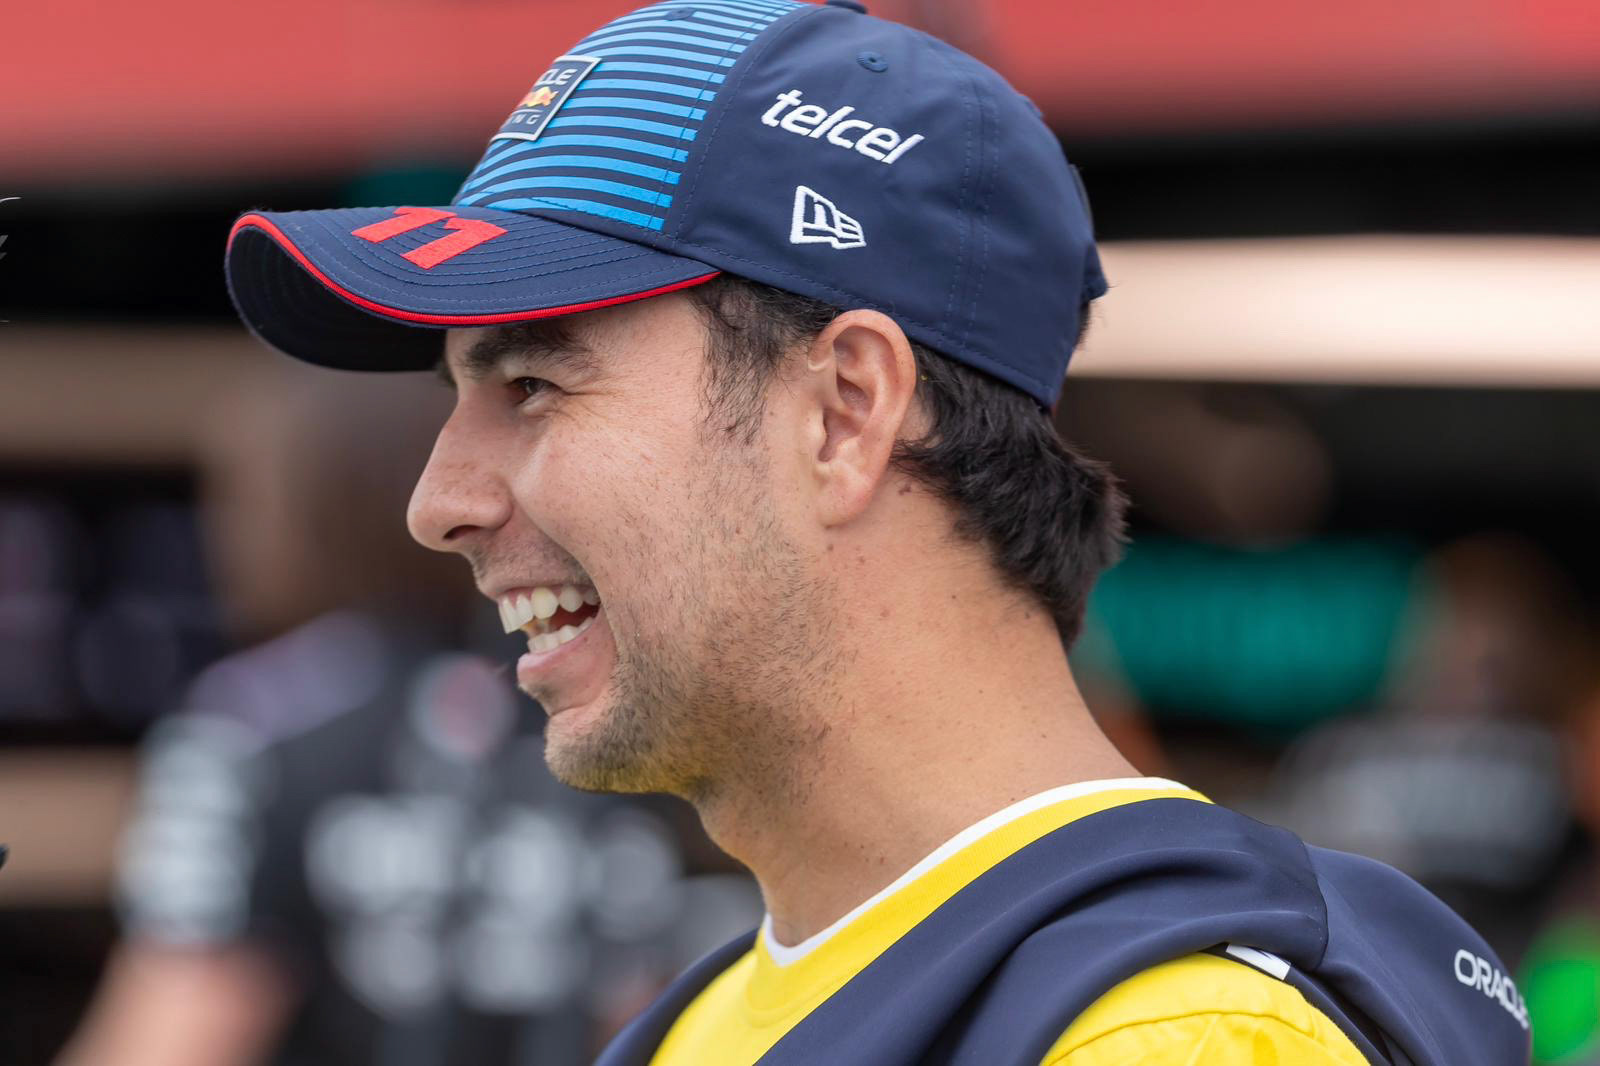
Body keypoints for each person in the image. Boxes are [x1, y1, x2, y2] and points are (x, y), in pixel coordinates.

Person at [221, 1, 1531, 1063]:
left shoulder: (1173, 1034)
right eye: (456, 396)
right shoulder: (714, 1014)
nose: (438, 502)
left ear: (847, 411)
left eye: (534, 385)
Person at [56, 366, 748, 1066]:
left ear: (292, 509)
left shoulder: (253, 722)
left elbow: (178, 1030)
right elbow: (648, 1008)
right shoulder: (599, 701)